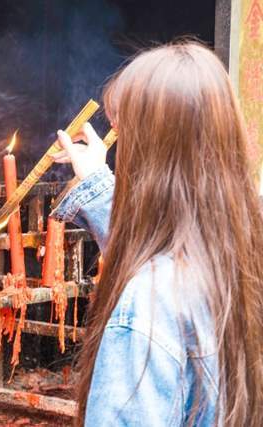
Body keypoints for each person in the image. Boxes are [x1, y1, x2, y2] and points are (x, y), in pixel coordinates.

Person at [50, 41, 263, 426]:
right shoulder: (244, 254)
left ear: (152, 157)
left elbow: (158, 287)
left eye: (125, 135)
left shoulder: (148, 306)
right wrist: (98, 181)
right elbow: (166, 246)